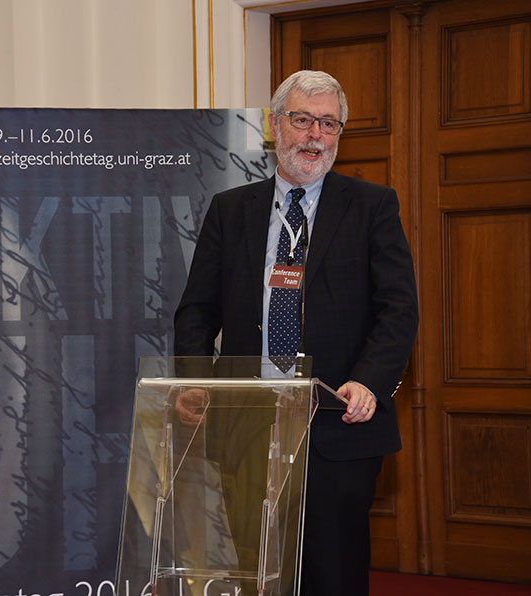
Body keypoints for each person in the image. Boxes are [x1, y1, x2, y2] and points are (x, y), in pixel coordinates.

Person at [173, 70, 419, 596]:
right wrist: (195, 380)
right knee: (257, 568)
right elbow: (196, 310)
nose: (315, 136)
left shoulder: (372, 206)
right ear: (275, 125)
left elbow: (398, 310)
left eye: (328, 124)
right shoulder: (230, 210)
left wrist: (369, 382)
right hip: (246, 423)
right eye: (303, 119)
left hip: (337, 423)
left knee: (333, 573)